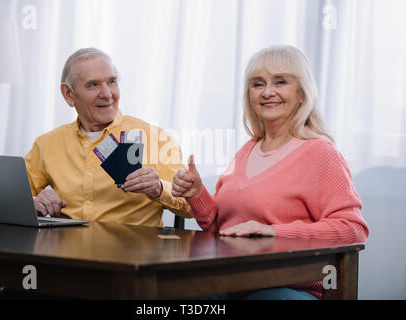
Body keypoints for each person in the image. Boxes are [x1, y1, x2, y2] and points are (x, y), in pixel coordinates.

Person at [171, 45, 369, 300]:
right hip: (232, 279)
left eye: (280, 82)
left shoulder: (321, 153)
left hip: (291, 286)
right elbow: (221, 228)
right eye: (257, 84)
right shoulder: (247, 150)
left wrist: (275, 232)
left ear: (302, 93)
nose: (267, 92)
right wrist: (196, 193)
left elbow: (352, 229)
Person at [25, 47, 191, 226]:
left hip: (131, 251)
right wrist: (33, 202)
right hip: (67, 249)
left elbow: (191, 206)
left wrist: (159, 189)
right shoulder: (47, 144)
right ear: (68, 94)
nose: (107, 94)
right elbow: (10, 198)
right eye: (93, 85)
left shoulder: (156, 139)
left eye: (112, 82)